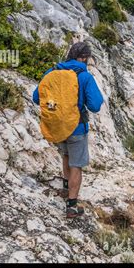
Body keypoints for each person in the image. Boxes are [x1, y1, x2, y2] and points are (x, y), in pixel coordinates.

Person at [32, 42, 103, 218]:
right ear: (83, 58)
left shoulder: (52, 71)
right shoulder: (85, 77)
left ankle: (65, 188)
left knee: (66, 155)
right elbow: (95, 105)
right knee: (76, 165)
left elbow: (36, 97)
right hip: (76, 127)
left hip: (57, 126)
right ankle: (71, 206)